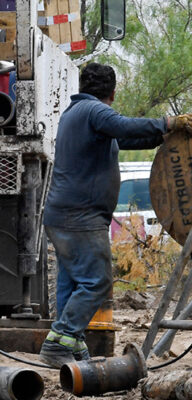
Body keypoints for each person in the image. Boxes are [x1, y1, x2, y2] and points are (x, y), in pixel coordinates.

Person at [40, 62, 190, 367]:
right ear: (113, 92)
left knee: (73, 283)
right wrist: (168, 122)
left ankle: (66, 344)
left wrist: (163, 135)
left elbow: (126, 138)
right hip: (80, 217)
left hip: (64, 215)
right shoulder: (94, 112)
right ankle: (61, 342)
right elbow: (123, 126)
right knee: (97, 281)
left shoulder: (77, 115)